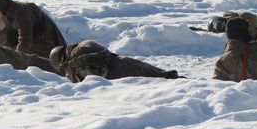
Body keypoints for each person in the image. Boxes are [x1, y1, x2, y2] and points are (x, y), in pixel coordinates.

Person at [50, 40, 178, 83]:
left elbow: (93, 79)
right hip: (126, 63)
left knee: (163, 80)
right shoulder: (85, 44)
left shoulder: (75, 60)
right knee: (165, 76)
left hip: (120, 74)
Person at [0, 0, 66, 58]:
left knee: (46, 59)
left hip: (45, 38)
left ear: (2, 8)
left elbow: (25, 41)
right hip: (33, 37)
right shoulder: (5, 13)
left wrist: (17, 59)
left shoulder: (21, 14)